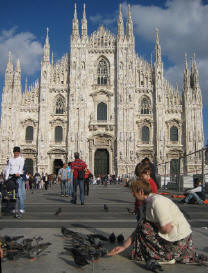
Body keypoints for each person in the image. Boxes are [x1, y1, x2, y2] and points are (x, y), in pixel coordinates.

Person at [108, 179, 208, 266]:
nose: (133, 195)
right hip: (170, 237)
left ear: (141, 192)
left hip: (178, 240)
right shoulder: (145, 204)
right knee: (143, 227)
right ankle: (164, 254)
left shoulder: (157, 202)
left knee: (145, 227)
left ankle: (166, 256)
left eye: (134, 193)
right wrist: (124, 246)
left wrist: (153, 226)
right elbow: (137, 229)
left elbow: (167, 229)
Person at [5, 146, 25, 215]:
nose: (16, 153)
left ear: (19, 153)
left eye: (17, 152)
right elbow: (8, 169)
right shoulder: (10, 159)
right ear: (13, 152)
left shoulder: (21, 159)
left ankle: (22, 208)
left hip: (18, 178)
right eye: (15, 152)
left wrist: (18, 173)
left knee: (19, 194)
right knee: (11, 194)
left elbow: (21, 167)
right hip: (11, 177)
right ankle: (13, 207)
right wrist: (6, 178)